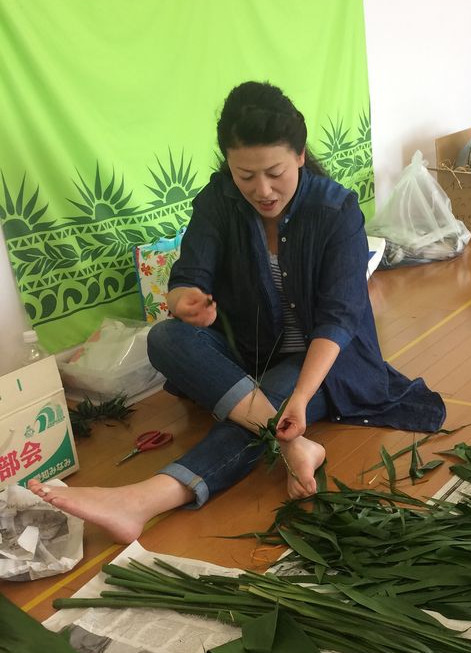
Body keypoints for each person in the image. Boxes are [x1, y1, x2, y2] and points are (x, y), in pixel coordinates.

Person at [29, 81, 446, 543]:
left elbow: (340, 319)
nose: (262, 190)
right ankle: (294, 446)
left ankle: (144, 500)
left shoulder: (336, 209)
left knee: (270, 401)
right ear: (228, 163)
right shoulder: (219, 200)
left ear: (300, 155)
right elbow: (189, 275)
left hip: (323, 368)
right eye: (245, 175)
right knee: (166, 337)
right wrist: (186, 300)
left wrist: (301, 397)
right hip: (250, 354)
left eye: (274, 172)